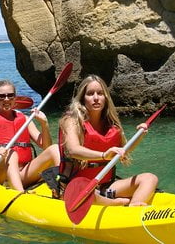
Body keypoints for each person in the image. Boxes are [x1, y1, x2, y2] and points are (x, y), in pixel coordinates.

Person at [58, 75, 158, 206]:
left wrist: (140, 136)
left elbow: (124, 151)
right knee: (82, 190)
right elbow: (73, 150)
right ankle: (116, 204)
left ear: (105, 98)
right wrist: (103, 155)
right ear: (83, 98)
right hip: (77, 187)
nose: (95, 98)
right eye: (90, 94)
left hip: (105, 186)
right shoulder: (71, 120)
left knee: (150, 178)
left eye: (100, 93)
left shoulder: (111, 124)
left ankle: (135, 207)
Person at [0, 80, 60, 192]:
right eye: (2, 96)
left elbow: (46, 146)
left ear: (15, 97)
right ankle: (20, 194)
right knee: (11, 153)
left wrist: (44, 124)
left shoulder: (25, 119)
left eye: (10, 95)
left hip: (23, 173)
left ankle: (63, 185)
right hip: (0, 173)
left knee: (54, 149)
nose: (6, 99)